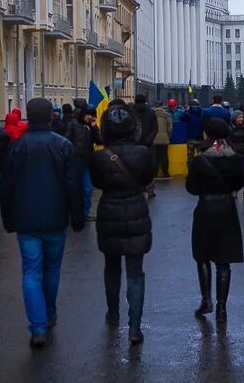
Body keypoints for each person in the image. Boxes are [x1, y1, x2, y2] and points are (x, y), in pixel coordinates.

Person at [1, 98, 84, 349]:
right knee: (52, 269)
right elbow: (73, 185)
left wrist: (8, 218)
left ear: (28, 116)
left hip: (26, 220)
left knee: (30, 272)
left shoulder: (17, 146)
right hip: (56, 218)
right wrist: (77, 216)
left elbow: (7, 187)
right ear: (51, 117)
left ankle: (37, 329)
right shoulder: (63, 146)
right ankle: (49, 313)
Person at [91, 108, 154, 344]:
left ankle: (113, 314)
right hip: (136, 210)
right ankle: (135, 328)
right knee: (136, 272)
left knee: (111, 267)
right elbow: (148, 178)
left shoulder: (100, 156)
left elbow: (97, 181)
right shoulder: (143, 153)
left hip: (109, 212)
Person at [185, 118, 244, 322]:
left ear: (207, 135)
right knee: (224, 260)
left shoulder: (201, 160)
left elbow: (191, 188)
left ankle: (206, 300)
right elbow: (241, 182)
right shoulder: (236, 158)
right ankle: (222, 308)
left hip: (205, 209)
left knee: (202, 256)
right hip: (227, 208)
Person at [65, 105, 102, 221]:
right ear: (84, 114)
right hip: (73, 162)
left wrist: (95, 128)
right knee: (73, 188)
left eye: (93, 116)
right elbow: (66, 140)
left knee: (87, 188)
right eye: (89, 115)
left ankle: (85, 212)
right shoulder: (73, 124)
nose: (91, 118)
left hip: (86, 162)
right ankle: (72, 212)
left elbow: (100, 141)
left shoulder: (91, 127)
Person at [133, 95, 159, 198]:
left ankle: (138, 188)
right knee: (149, 167)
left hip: (135, 144)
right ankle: (150, 190)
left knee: (136, 167)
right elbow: (155, 129)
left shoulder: (132, 113)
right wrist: (149, 140)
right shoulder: (151, 112)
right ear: (145, 101)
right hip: (148, 145)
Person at [227, 111, 244, 200]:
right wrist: (234, 149)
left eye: (242, 117)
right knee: (235, 173)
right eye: (239, 117)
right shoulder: (229, 129)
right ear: (234, 119)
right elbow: (228, 141)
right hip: (234, 154)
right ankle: (234, 190)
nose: (241, 119)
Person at [181, 99, 204, 169]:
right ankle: (202, 172)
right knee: (202, 157)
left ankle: (191, 173)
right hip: (200, 138)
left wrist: (186, 110)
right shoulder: (202, 112)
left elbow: (181, 119)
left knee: (190, 157)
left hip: (190, 139)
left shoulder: (187, 113)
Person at [153, 101, 173, 179]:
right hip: (164, 139)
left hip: (154, 139)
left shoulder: (152, 114)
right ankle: (166, 172)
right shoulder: (167, 115)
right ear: (162, 106)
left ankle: (155, 173)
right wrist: (169, 136)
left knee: (155, 156)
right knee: (164, 156)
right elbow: (170, 128)